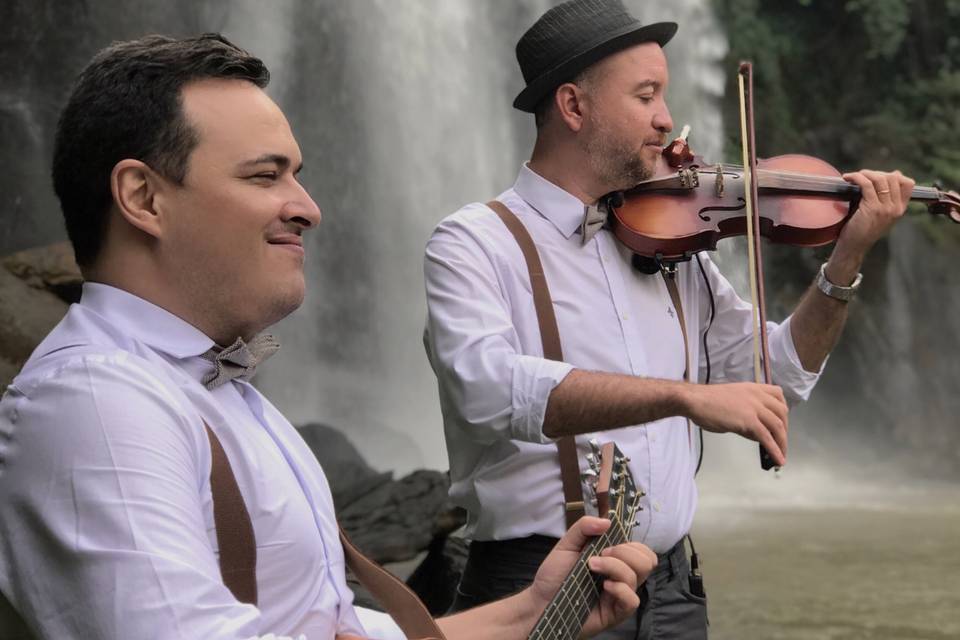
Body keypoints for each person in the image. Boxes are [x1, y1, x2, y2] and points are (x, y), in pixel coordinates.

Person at [0, 33, 659, 640]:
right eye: (265, 175)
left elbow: (326, 625)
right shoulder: (95, 404)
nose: (308, 207)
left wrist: (528, 614)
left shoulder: (219, 392)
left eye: (298, 174)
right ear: (143, 198)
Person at [422, 1, 915, 638]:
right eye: (647, 95)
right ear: (574, 107)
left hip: (674, 591)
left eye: (665, 95)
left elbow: (782, 376)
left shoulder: (672, 247)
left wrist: (846, 257)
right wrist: (684, 397)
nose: (665, 120)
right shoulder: (474, 242)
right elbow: (485, 390)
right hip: (537, 587)